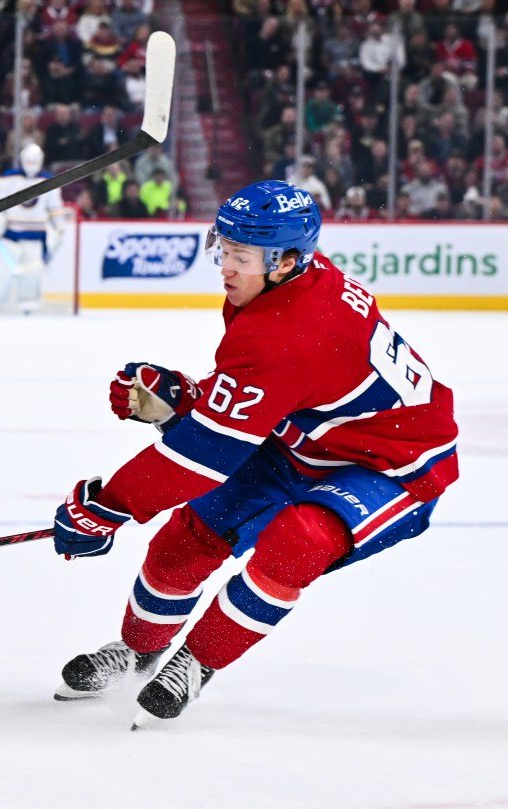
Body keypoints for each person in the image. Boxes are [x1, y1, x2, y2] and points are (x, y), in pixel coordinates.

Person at [50, 180, 458, 727]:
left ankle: (195, 663)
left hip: (394, 464)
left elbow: (204, 455)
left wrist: (109, 508)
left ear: (287, 261)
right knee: (187, 538)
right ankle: (140, 652)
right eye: (225, 249)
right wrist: (189, 400)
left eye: (241, 256)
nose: (226, 267)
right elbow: (263, 397)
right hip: (302, 441)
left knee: (299, 541)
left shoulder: (288, 329)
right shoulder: (285, 289)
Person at [0, 144, 67, 315]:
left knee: (32, 276)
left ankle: (28, 305)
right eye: (29, 160)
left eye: (35, 161)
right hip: (10, 236)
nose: (31, 164)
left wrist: (59, 226)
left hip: (36, 236)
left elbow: (55, 208)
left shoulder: (49, 181)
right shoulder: (8, 179)